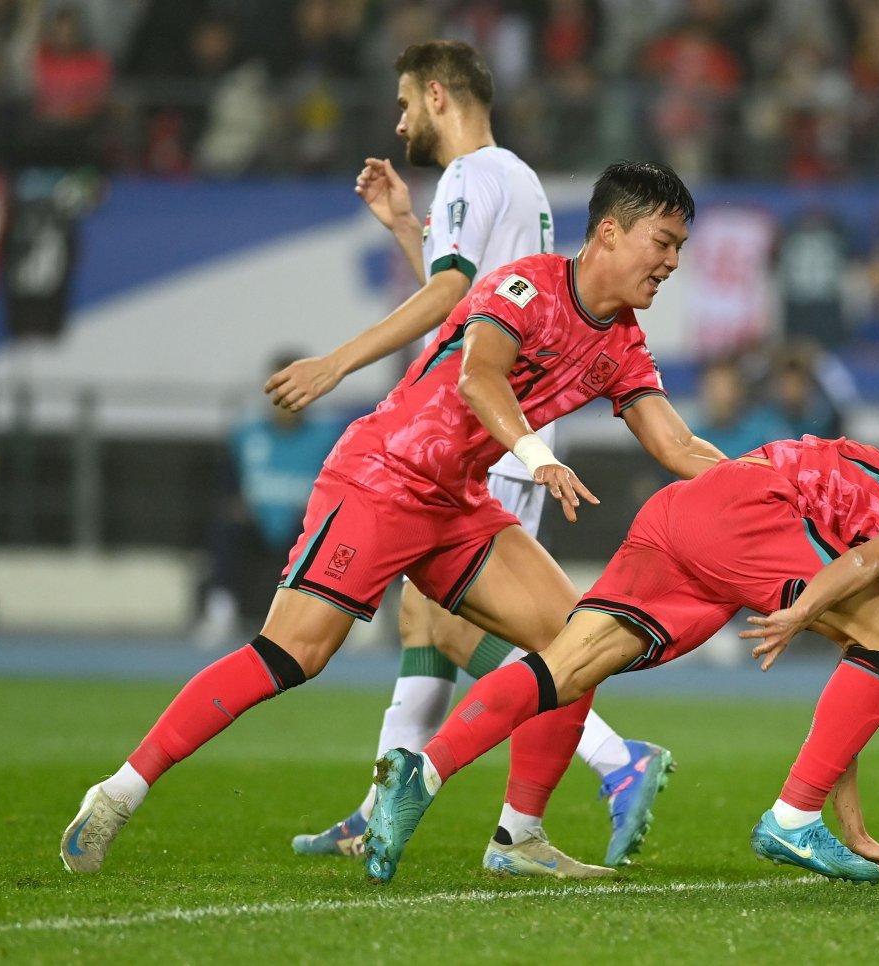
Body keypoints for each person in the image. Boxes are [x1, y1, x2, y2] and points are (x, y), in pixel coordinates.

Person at [60, 158, 725, 879]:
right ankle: (119, 791)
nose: (671, 262)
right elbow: (479, 376)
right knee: (295, 655)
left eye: (679, 248)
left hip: (457, 502)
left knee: (576, 639)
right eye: (662, 242)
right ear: (608, 232)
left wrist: (774, 484)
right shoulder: (526, 284)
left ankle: (519, 839)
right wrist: (537, 456)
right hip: (383, 477)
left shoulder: (622, 339)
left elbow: (675, 444)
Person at [264, 40, 676, 868]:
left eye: (406, 101)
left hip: (483, 433)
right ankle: (379, 802)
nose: (400, 118)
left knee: (456, 631)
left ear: (440, 95)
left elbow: (454, 297)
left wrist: (336, 363)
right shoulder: (515, 177)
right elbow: (475, 299)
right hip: (503, 428)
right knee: (426, 625)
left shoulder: (465, 178)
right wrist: (408, 229)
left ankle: (612, 756)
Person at [364, 435, 879, 885]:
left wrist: (854, 826)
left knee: (567, 666)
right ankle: (790, 822)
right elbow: (868, 557)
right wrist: (803, 609)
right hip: (754, 509)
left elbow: (852, 699)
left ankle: (432, 780)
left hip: (693, 516)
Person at [194, 350, 347, 646]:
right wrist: (238, 505)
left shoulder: (329, 435)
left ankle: (342, 616)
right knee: (226, 527)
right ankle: (221, 608)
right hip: (255, 520)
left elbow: (344, 489)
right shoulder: (247, 433)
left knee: (338, 533)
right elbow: (226, 487)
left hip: (304, 524)